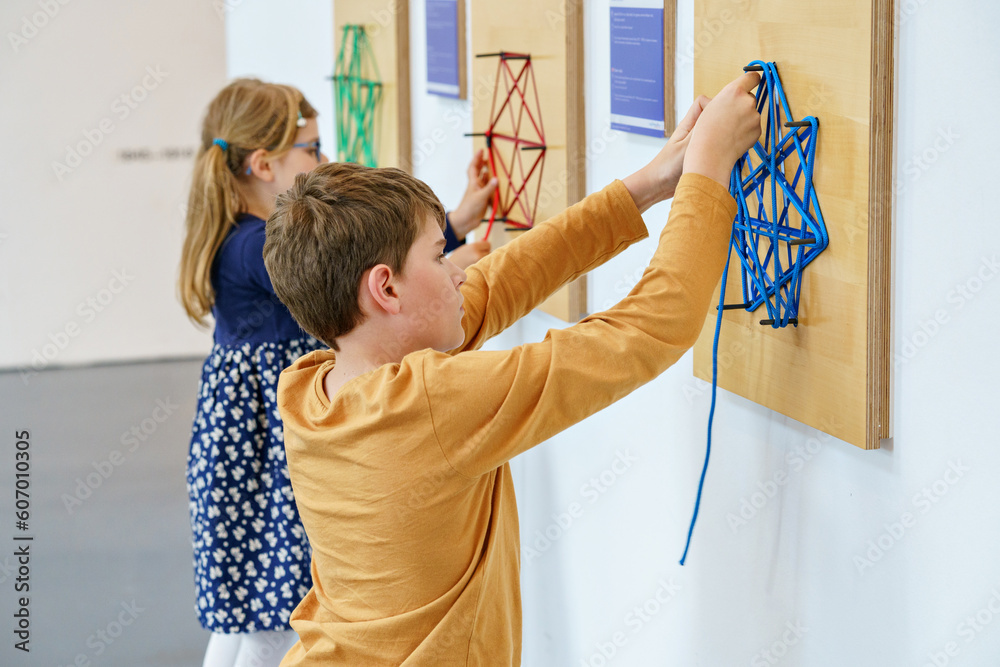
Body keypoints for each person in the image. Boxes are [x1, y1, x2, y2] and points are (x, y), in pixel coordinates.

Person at [262, 71, 761, 665]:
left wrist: (650, 184)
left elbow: (499, 284)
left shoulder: (314, 384)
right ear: (386, 289)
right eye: (440, 254)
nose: (460, 269)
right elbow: (649, 331)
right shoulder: (429, 403)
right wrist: (707, 173)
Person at [177, 78, 497, 667]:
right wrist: (451, 258)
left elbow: (358, 261)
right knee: (273, 617)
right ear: (265, 164)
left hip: (251, 444)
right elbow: (345, 269)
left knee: (250, 608)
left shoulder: (241, 235)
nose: (323, 160)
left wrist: (452, 225)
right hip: (267, 453)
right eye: (313, 148)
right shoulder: (254, 247)